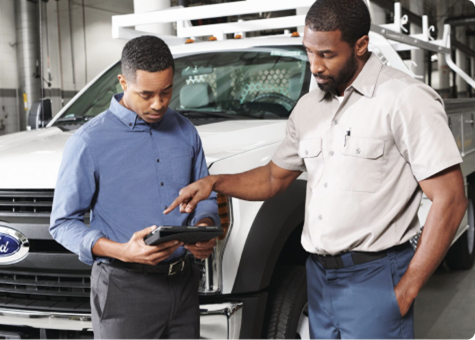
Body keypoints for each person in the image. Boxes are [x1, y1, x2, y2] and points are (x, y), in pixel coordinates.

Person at [164, 0, 467, 339]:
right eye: (309, 51)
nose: (315, 65)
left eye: (326, 54)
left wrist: (406, 290)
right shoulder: (309, 108)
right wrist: (214, 182)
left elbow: (451, 200)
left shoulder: (404, 99)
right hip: (318, 280)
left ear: (361, 45)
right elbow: (272, 178)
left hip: (375, 277)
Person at [50, 35, 219, 340]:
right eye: (147, 94)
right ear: (123, 83)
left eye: (166, 92)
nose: (159, 103)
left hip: (183, 285)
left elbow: (204, 195)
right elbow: (62, 224)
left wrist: (204, 227)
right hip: (123, 290)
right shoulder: (88, 142)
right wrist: (123, 251)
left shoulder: (185, 131)